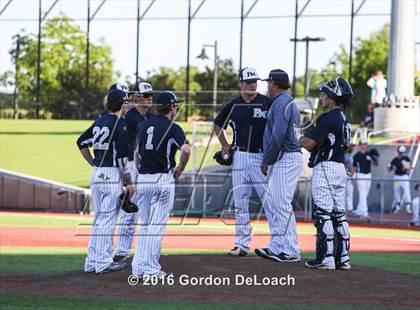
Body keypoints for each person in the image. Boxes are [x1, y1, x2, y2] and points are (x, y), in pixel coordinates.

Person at [213, 67, 271, 257]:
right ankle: (241, 244)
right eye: (248, 81)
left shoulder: (266, 102)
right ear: (241, 83)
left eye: (255, 81)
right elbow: (217, 124)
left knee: (269, 200)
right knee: (240, 201)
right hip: (240, 156)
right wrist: (224, 145)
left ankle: (279, 243)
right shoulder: (233, 104)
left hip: (261, 157)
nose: (253, 84)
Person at [132, 91, 190, 278]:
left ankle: (139, 268)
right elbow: (186, 150)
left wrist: (141, 171)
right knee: (156, 227)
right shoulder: (173, 127)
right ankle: (151, 270)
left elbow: (136, 155)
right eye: (176, 105)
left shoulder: (143, 125)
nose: (176, 108)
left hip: (144, 179)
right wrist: (180, 168)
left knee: (145, 225)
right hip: (162, 179)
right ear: (171, 107)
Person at [76, 88, 135, 274]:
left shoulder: (100, 120)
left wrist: (93, 162)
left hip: (97, 173)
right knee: (107, 220)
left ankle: (92, 261)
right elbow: (123, 158)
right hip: (111, 174)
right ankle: (102, 262)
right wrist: (129, 183)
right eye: (126, 102)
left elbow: (81, 142)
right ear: (121, 104)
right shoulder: (120, 124)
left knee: (99, 220)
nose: (127, 105)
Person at [299, 77, 353, 271]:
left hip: (326, 167)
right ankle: (343, 258)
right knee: (339, 214)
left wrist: (297, 138)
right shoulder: (345, 119)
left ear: (333, 97)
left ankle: (326, 258)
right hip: (339, 167)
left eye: (324, 95)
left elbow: (310, 143)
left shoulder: (328, 117)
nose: (321, 98)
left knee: (323, 213)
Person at [254, 69, 302, 262]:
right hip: (286, 156)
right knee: (276, 203)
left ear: (274, 84)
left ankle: (290, 250)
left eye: (269, 83)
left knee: (281, 204)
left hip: (286, 156)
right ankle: (277, 246)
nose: (267, 86)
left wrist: (267, 159)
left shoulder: (281, 102)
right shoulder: (286, 101)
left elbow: (278, 135)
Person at [114, 82, 154, 262]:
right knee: (129, 209)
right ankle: (122, 250)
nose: (149, 98)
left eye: (150, 95)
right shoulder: (129, 117)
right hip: (130, 165)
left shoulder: (150, 117)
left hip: (144, 168)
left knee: (143, 210)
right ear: (136, 97)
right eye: (145, 96)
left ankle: (140, 250)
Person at [352, 141, 378, 219]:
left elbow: (376, 164)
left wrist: (376, 157)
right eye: (362, 144)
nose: (364, 146)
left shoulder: (369, 154)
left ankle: (359, 210)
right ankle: (364, 213)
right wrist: (353, 177)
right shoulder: (357, 155)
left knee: (365, 194)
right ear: (360, 145)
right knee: (362, 193)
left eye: (365, 144)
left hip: (368, 175)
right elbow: (354, 167)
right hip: (360, 175)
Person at [388, 146, 412, 214]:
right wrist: (389, 166)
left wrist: (405, 166)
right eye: (400, 153)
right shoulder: (394, 160)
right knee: (397, 191)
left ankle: (408, 207)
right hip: (397, 177)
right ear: (398, 152)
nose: (402, 154)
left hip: (404, 177)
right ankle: (398, 208)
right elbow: (389, 169)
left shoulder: (406, 158)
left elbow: (407, 168)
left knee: (406, 190)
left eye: (402, 153)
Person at [344, 143, 355, 212]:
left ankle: (350, 208)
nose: (352, 148)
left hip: (350, 176)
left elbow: (354, 167)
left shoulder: (354, 155)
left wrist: (353, 177)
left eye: (353, 146)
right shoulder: (344, 155)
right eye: (351, 146)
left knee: (350, 192)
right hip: (344, 175)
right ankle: (343, 208)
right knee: (343, 193)